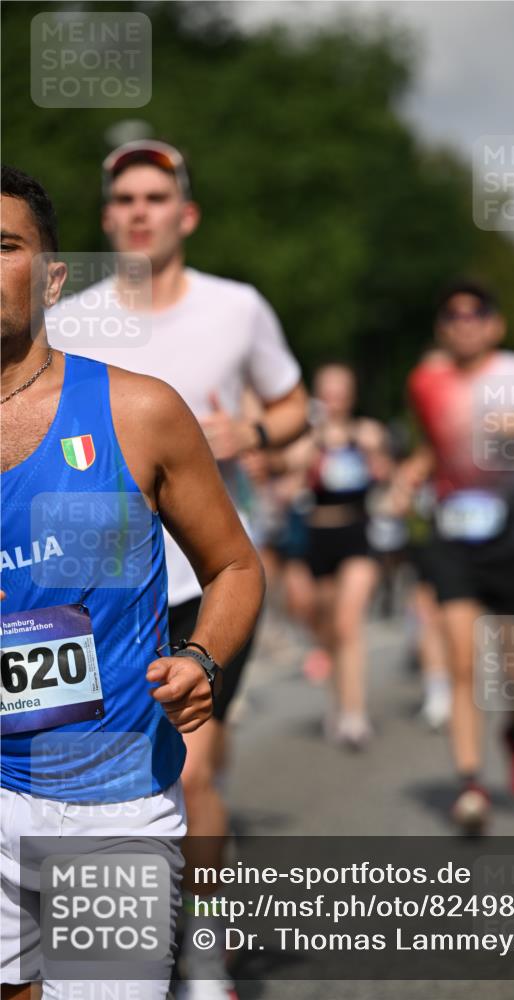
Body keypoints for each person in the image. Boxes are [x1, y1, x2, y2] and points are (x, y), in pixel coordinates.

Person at [46, 140, 307, 1000]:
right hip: (100, 594)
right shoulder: (73, 316)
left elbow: (291, 403)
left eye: (156, 196)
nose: (139, 211)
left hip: (205, 579)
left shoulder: (237, 309)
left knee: (188, 770)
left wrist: (253, 436)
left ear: (185, 213)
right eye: (123, 199)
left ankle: (200, 954)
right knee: (94, 776)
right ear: (106, 216)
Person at [0, 166, 264, 1000]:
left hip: (113, 796)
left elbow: (233, 565)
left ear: (51, 277)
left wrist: (203, 659)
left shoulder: (137, 411)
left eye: (3, 246)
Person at [401, 279, 514, 832]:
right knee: (462, 661)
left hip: (511, 531)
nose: (464, 323)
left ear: (494, 324)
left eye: (476, 315)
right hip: (451, 532)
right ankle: (471, 783)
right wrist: (407, 477)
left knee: (512, 668)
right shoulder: (426, 381)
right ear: (442, 326)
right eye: (452, 316)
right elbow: (431, 447)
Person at [282, 364, 389, 748]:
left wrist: (375, 459)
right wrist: (313, 446)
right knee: (328, 628)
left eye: (341, 390)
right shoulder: (306, 440)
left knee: (348, 622)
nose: (334, 397)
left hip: (355, 533)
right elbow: (287, 484)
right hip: (317, 535)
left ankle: (355, 713)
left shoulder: (369, 434)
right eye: (327, 390)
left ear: (351, 393)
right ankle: (337, 702)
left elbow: (386, 475)